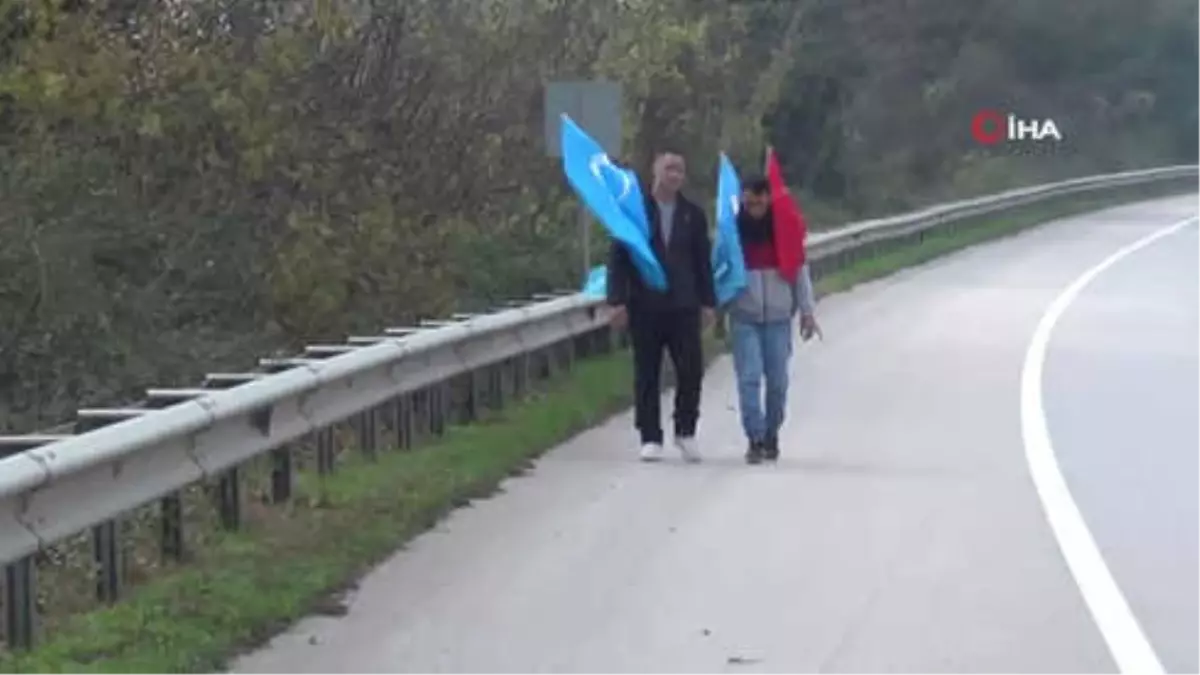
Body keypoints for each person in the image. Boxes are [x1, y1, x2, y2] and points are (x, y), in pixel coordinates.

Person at [607, 150, 717, 463]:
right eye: (669, 168)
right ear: (656, 171)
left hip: (684, 304)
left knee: (691, 370)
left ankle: (685, 430)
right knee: (647, 371)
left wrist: (708, 302)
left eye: (679, 170)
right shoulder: (635, 211)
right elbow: (618, 257)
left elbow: (702, 261)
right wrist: (617, 301)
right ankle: (650, 435)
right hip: (645, 303)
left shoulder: (693, 215)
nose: (675, 175)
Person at [727, 176, 820, 464]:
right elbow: (722, 273)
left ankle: (771, 432)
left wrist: (807, 311)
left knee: (778, 382)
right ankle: (754, 437)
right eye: (749, 200)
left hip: (778, 317)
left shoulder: (783, 234)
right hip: (745, 316)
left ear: (768, 199)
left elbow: (799, 273)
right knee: (749, 378)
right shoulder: (734, 234)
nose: (754, 205)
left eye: (759, 199)